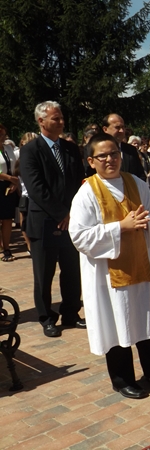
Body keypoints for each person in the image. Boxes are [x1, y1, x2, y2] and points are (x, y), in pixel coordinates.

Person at [69, 133, 150, 399]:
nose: (110, 159)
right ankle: (122, 379)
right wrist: (120, 227)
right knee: (116, 322)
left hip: (140, 264)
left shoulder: (136, 183)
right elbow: (79, 236)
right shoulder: (87, 193)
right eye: (102, 156)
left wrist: (147, 224)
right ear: (91, 161)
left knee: (146, 321)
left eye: (114, 153)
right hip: (108, 274)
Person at [20, 101, 86, 338]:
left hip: (72, 220)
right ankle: (46, 317)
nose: (61, 122)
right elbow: (36, 188)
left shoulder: (70, 149)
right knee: (44, 273)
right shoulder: (30, 150)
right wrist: (61, 214)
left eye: (61, 118)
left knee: (72, 270)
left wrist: (74, 213)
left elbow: (79, 180)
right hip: (44, 222)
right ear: (41, 121)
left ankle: (71, 312)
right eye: (56, 118)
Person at [101, 113, 146, 181]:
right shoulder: (96, 150)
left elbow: (140, 175)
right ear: (105, 129)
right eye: (117, 127)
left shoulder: (131, 150)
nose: (121, 131)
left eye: (123, 127)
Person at [14, 132, 38, 254]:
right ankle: (29, 246)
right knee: (25, 222)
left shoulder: (40, 157)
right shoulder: (18, 158)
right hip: (25, 195)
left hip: (37, 195)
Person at [0, 124, 19, 261]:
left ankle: (6, 248)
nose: (2, 137)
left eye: (3, 134)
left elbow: (15, 166)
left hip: (8, 186)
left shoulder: (8, 148)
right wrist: (8, 178)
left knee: (7, 218)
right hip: (3, 181)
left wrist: (14, 182)